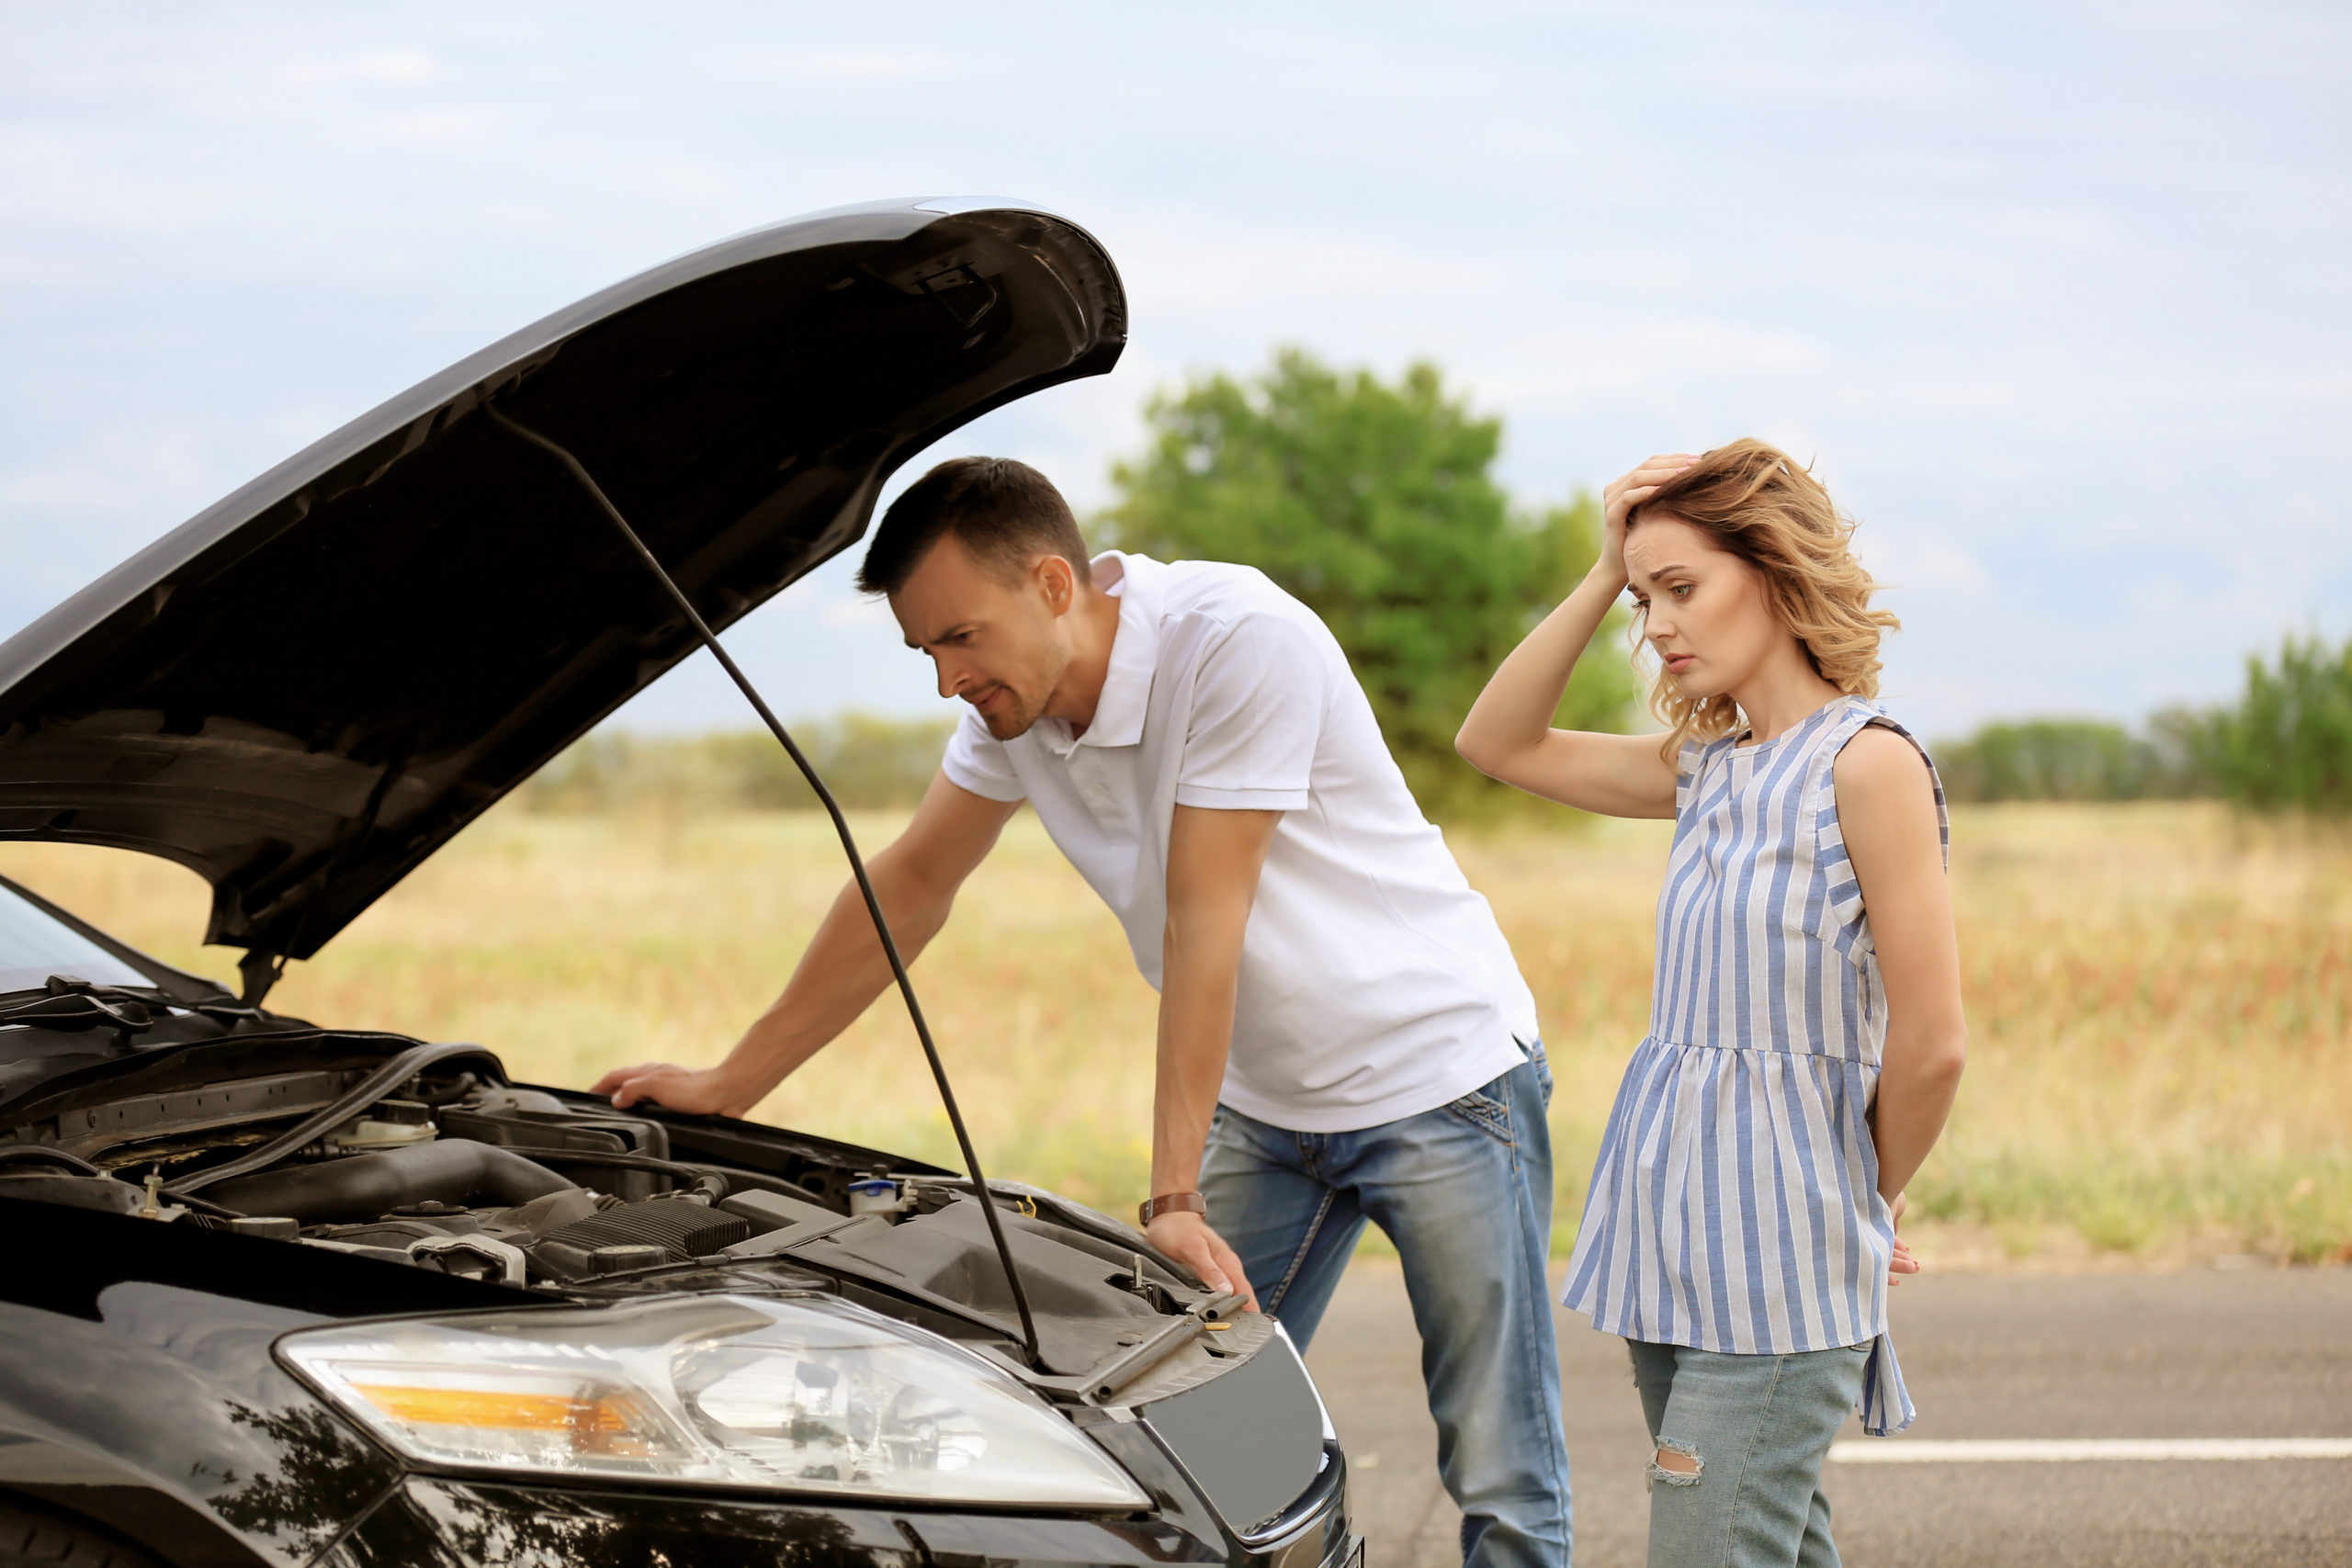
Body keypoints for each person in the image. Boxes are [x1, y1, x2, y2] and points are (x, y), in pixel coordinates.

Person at [594, 457, 1573, 1568]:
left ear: (1054, 585)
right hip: (1263, 1102)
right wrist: (731, 1084)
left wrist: (1171, 1192)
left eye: (961, 638)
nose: (946, 680)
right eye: (926, 652)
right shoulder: (1013, 715)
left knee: (1499, 1463)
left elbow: (1207, 920)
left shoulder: (1237, 638)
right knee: (1176, 1433)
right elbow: (910, 887)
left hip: (1438, 1078)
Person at [1455, 441, 1966, 1568]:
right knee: (1768, 1547)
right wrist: (1602, 573)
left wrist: (1852, 1200)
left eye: (1680, 589)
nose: (1659, 627)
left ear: (1775, 574)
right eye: (1646, 603)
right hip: (1668, 1238)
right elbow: (1495, 743)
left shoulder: (1867, 764)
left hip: (1782, 1260)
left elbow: (1933, 1050)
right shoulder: (1706, 767)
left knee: (1709, 1547)